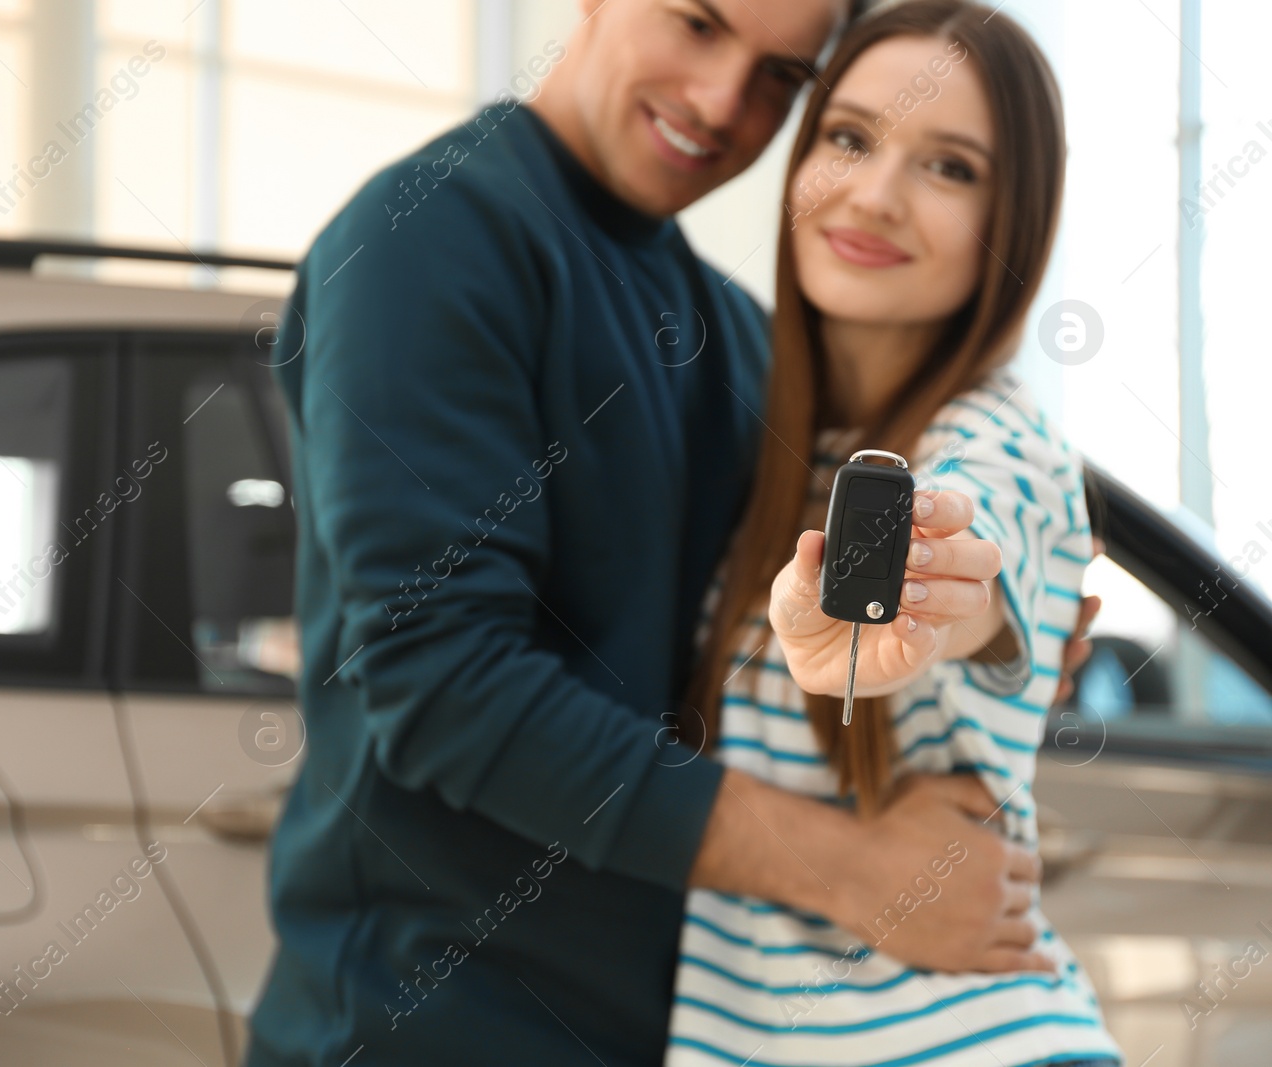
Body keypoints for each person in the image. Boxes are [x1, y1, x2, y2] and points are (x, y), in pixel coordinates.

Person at [245, 0, 1098, 1063]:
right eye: (696, 23)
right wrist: (853, 866)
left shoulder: (735, 339)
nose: (721, 102)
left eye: (782, 77)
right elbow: (439, 683)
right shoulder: (429, 234)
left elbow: (916, 550)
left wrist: (1000, 631)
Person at [665, 2, 1123, 1065]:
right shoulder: (775, 446)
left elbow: (967, 523)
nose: (874, 193)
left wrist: (909, 595)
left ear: (1014, 221)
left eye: (950, 168)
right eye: (849, 137)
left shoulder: (1000, 442)